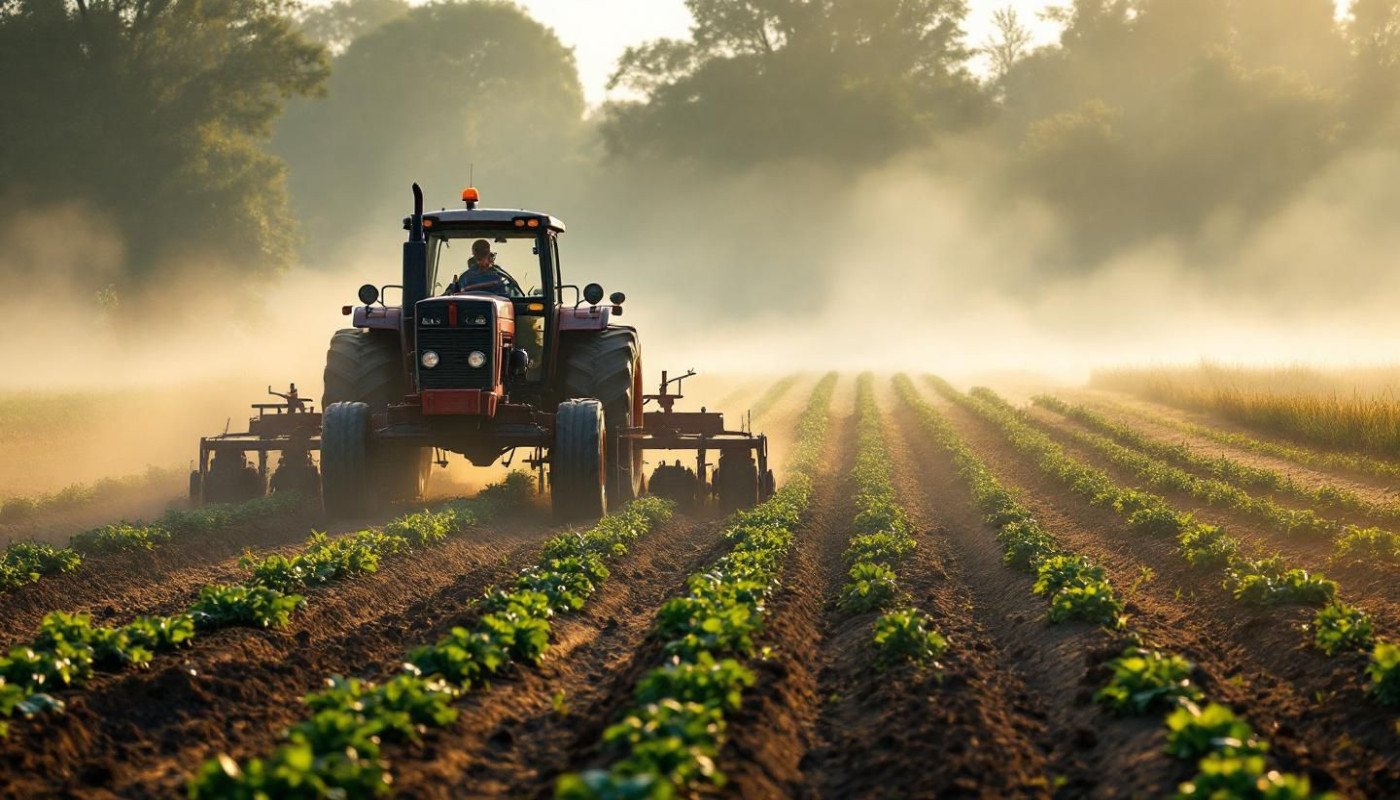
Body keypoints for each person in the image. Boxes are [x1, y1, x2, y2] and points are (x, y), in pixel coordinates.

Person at [448, 239, 512, 295]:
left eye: (483, 253)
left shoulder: (500, 275)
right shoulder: (466, 277)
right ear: (474, 254)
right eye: (479, 253)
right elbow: (455, 294)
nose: (481, 259)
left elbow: (508, 296)